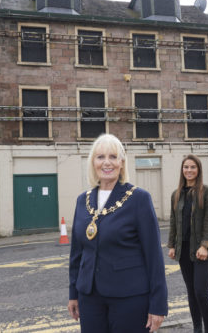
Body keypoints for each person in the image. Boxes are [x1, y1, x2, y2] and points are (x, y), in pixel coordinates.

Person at [67, 134, 168, 332]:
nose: (107, 162)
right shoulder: (82, 200)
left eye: (113, 157)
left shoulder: (139, 198)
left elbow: (154, 256)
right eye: (100, 157)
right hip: (90, 298)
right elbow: (77, 254)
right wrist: (74, 293)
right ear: (93, 163)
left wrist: (158, 305)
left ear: (121, 163)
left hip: (130, 298)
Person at [167, 155, 208, 333]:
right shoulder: (176, 194)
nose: (189, 170)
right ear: (182, 170)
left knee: (201, 293)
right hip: (183, 249)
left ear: (198, 170)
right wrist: (172, 245)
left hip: (202, 250)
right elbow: (173, 222)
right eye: (186, 167)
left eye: (193, 167)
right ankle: (197, 328)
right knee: (191, 293)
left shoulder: (207, 192)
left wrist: (205, 245)